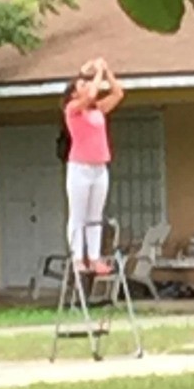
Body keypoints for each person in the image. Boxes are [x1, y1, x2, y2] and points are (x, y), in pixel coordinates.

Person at [62, 57, 124, 274]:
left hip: (99, 168)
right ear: (73, 94)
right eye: (82, 85)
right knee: (78, 214)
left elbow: (117, 94)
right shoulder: (73, 109)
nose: (88, 86)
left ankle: (95, 257)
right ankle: (78, 256)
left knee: (95, 216)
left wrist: (106, 71)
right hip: (80, 168)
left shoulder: (97, 109)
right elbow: (89, 95)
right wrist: (96, 72)